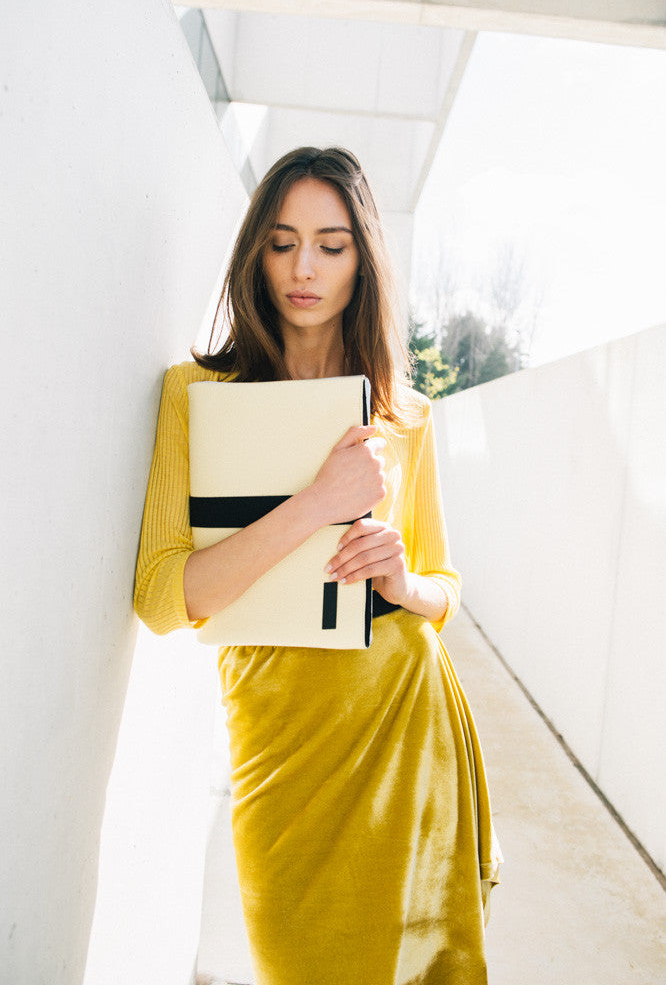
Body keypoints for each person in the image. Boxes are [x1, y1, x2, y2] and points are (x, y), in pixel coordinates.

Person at [134, 146, 501, 985]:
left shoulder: (405, 416)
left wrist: (403, 581)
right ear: (253, 252)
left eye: (332, 246)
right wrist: (314, 504)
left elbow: (444, 591)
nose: (304, 269)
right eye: (282, 241)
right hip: (279, 746)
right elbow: (162, 600)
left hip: (404, 725)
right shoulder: (196, 394)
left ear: (362, 261)